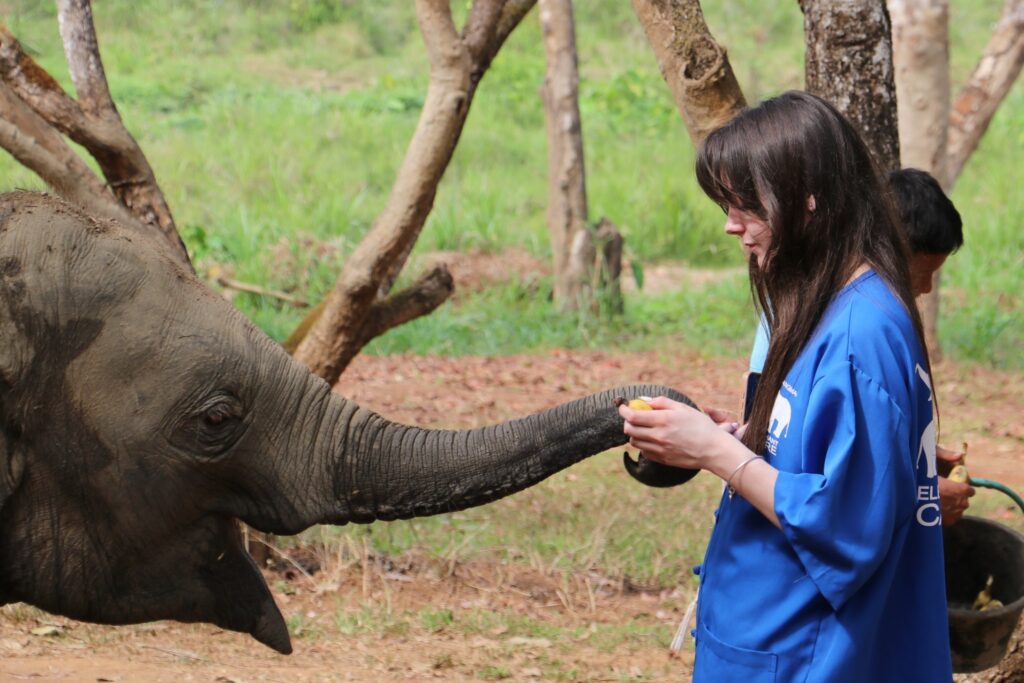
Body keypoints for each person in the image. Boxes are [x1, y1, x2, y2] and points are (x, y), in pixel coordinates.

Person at [619, 91, 952, 681]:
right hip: (771, 636)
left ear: (809, 199)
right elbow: (827, 462)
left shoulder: (859, 333)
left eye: (746, 204)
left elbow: (847, 527)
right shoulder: (821, 302)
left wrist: (714, 451)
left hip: (807, 654)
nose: (730, 225)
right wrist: (749, 435)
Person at [745, 167, 973, 525]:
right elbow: (787, 459)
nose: (927, 288)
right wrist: (918, 493)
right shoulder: (853, 330)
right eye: (922, 271)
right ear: (888, 250)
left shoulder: (869, 317)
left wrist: (919, 459)